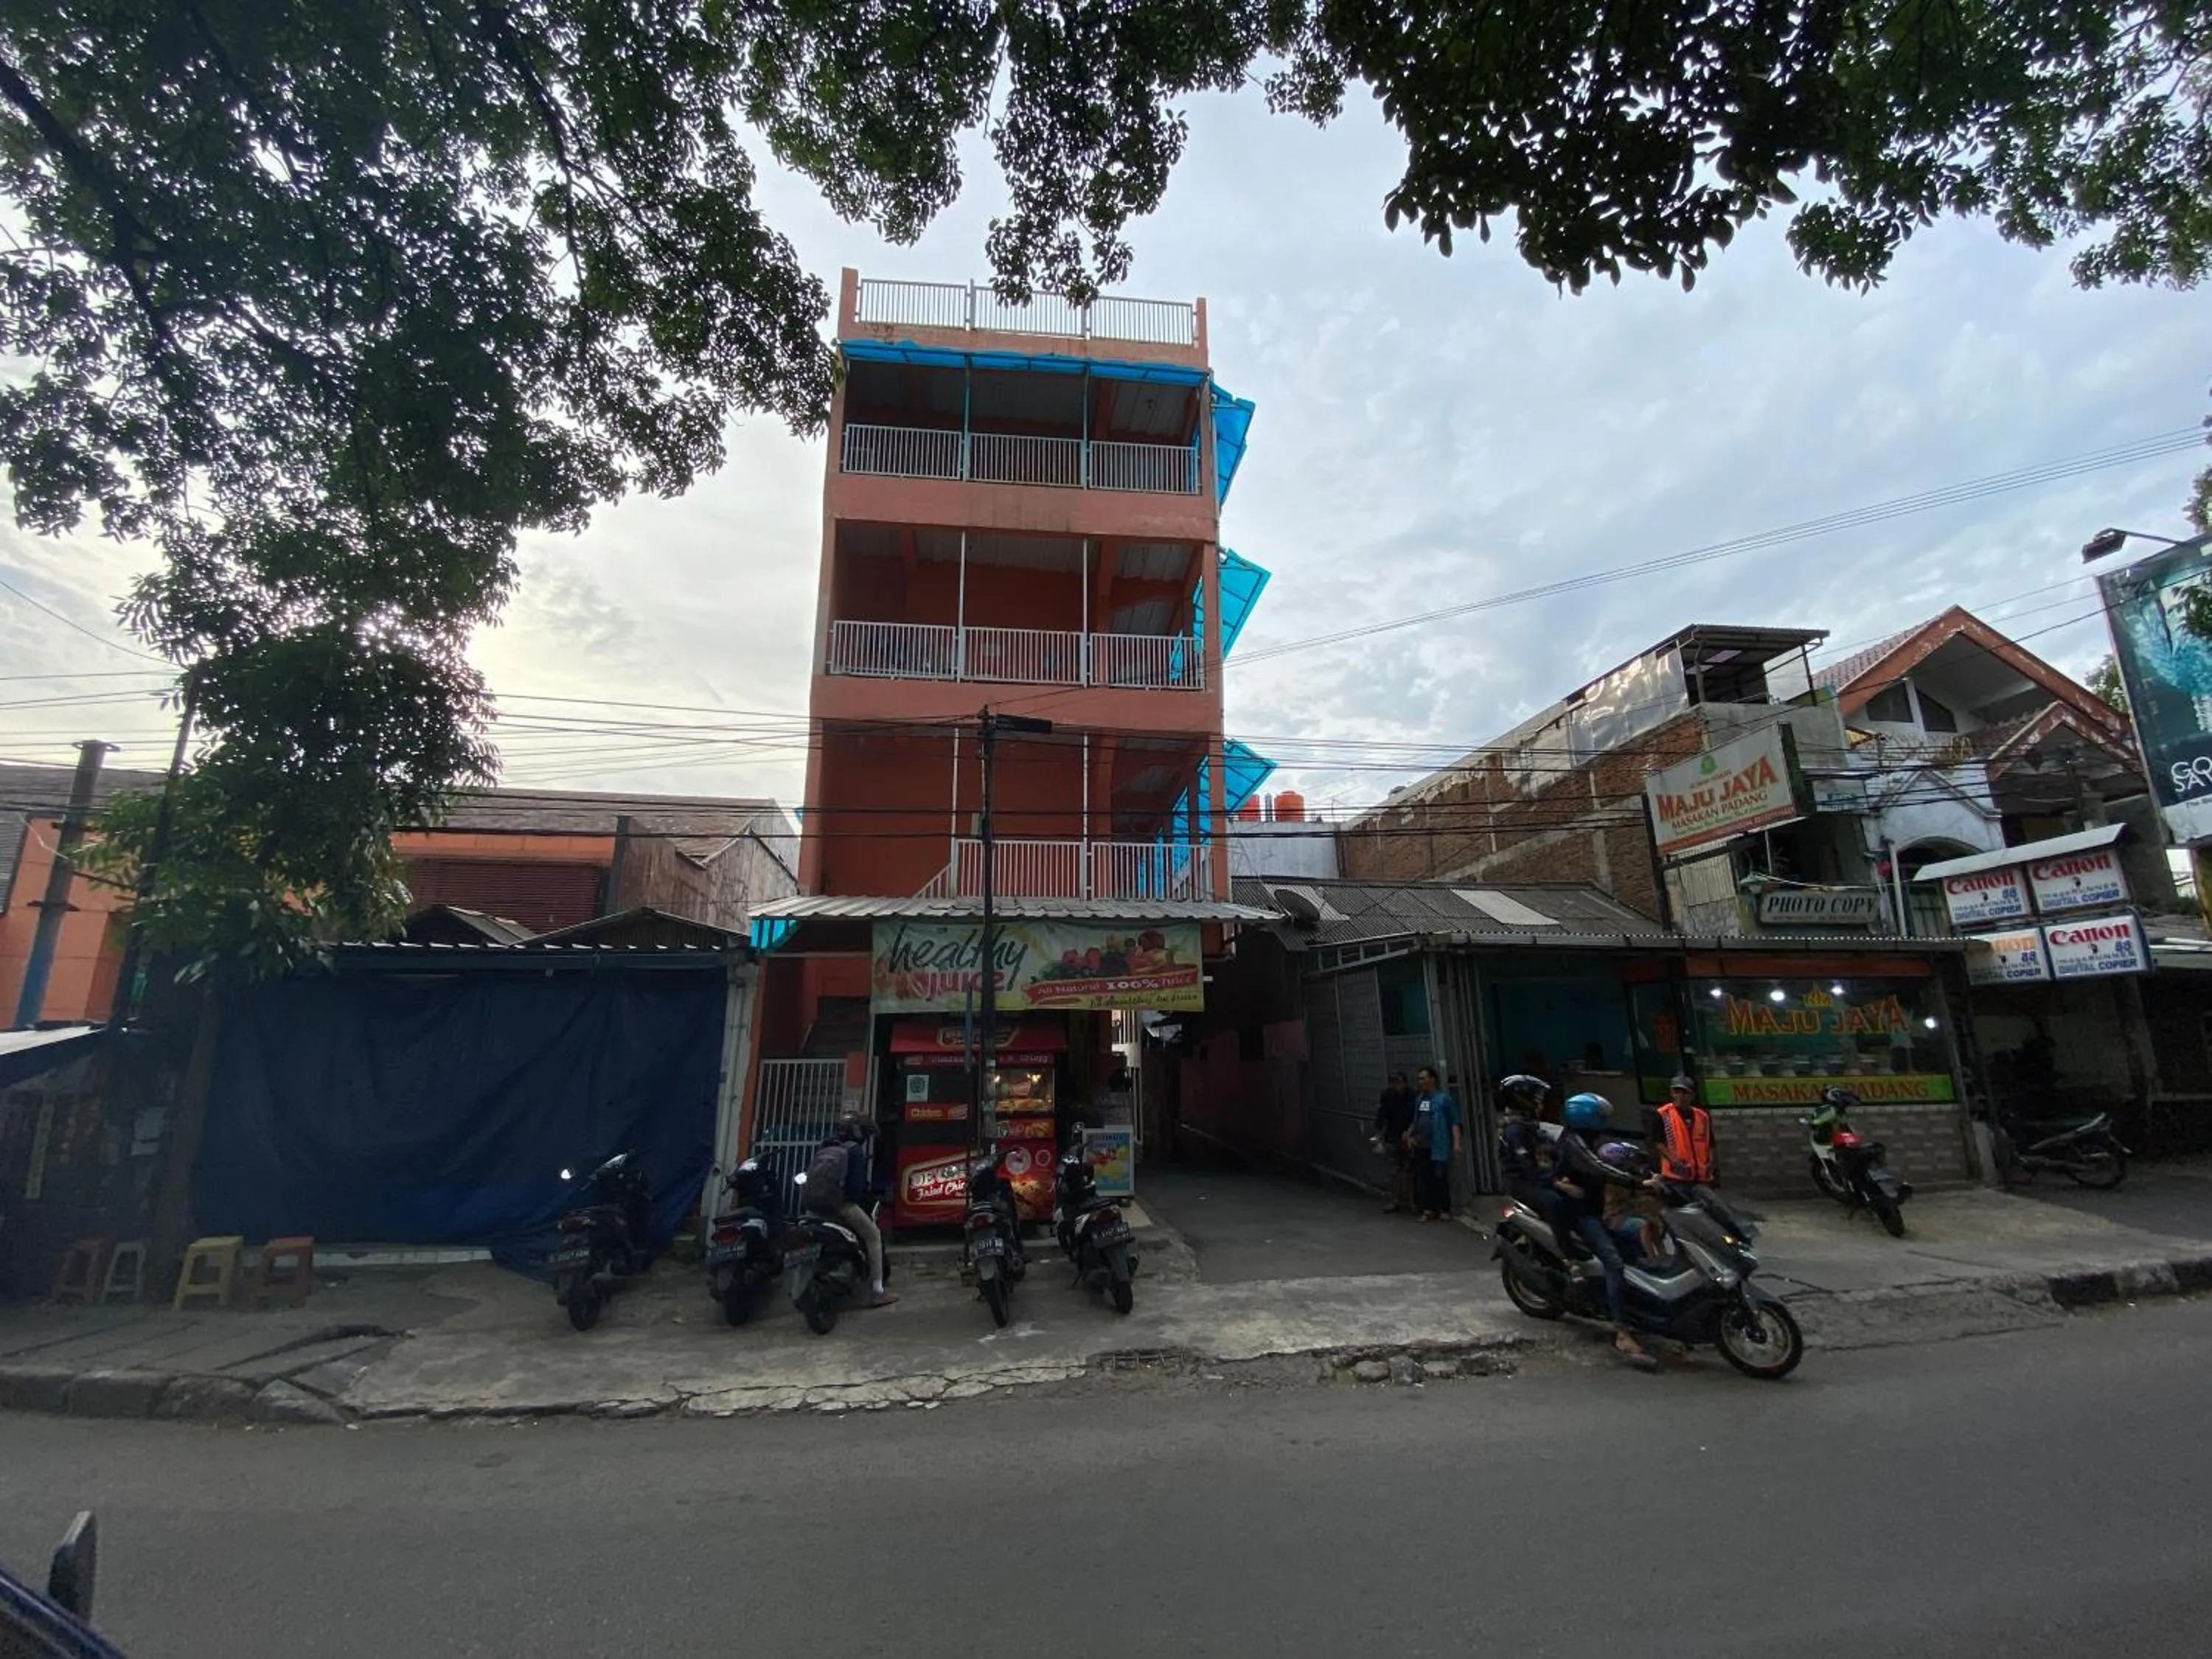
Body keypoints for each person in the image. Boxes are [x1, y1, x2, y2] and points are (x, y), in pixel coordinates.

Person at [1551, 1092, 1658, 1368]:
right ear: (1587, 1117)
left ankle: (1640, 1309)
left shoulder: (1585, 1141)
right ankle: (1621, 1331)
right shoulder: (1574, 1145)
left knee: (1637, 1237)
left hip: (1596, 1211)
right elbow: (1600, 1167)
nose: (1604, 1121)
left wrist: (1646, 1174)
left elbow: (1615, 1161)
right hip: (1580, 1215)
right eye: (1600, 1116)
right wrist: (1638, 1183)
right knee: (1613, 1261)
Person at [826, 1113, 897, 1308]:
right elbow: (856, 1189)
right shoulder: (855, 1151)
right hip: (844, 1206)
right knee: (873, 1236)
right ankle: (877, 1291)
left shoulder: (828, 1146)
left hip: (818, 1207)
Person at [1405, 1065, 1463, 1221]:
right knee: (1425, 1178)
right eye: (1419, 1079)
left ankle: (1444, 1208)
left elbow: (1454, 1122)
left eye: (1424, 1078)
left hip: (1439, 1145)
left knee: (1440, 1177)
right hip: (1422, 1144)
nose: (1421, 1082)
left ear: (1433, 1079)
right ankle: (1427, 1209)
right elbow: (1416, 1120)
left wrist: (1457, 1143)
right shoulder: (1420, 1099)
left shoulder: (1444, 1099)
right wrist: (1410, 1135)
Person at [1654, 1075, 1717, 1187]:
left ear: (1692, 1095)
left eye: (1685, 1093)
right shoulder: (1664, 1114)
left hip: (1701, 1175)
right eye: (1677, 1092)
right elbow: (1658, 1142)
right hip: (1677, 1175)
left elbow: (1710, 1142)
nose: (1681, 1096)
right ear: (1672, 1093)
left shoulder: (1702, 1116)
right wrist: (1674, 1161)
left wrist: (1711, 1162)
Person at [1374, 1072, 1418, 1213]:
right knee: (1395, 1170)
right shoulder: (1387, 1096)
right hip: (1393, 1136)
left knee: (1410, 1170)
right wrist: (1380, 1134)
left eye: (1398, 1082)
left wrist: (1410, 1131)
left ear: (1404, 1083)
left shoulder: (1413, 1096)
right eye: (1393, 1082)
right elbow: (1382, 1115)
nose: (1395, 1086)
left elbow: (1417, 1116)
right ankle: (1395, 1200)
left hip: (1410, 1136)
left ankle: (1412, 1202)